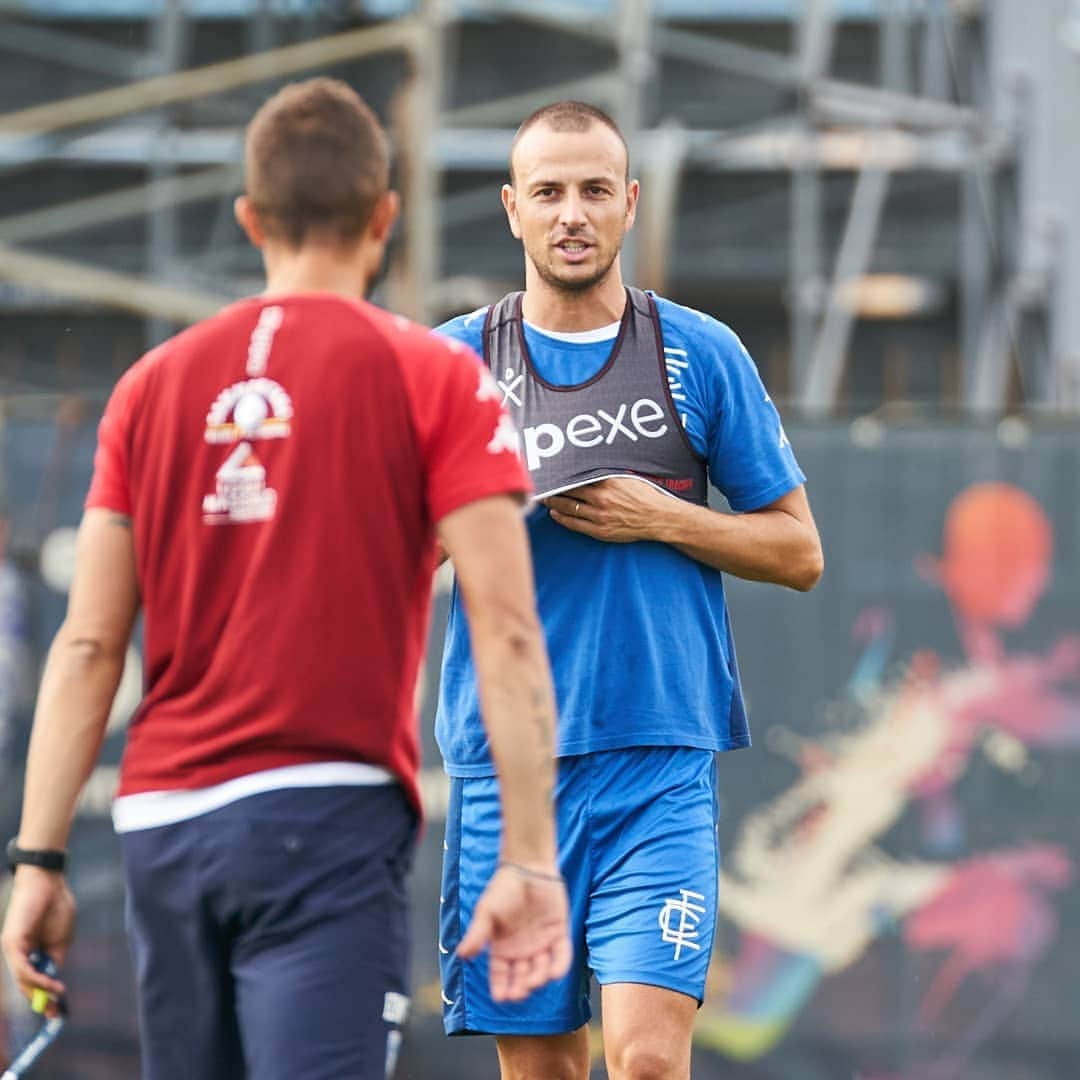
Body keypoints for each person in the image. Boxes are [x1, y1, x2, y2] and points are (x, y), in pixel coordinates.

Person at [0, 78, 571, 1080]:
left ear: (250, 219)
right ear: (384, 219)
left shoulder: (152, 386)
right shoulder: (435, 377)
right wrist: (530, 857)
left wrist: (38, 861)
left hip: (164, 823)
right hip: (326, 812)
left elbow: (89, 643)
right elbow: (510, 631)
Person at [433, 101, 824, 1080]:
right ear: (512, 208)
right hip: (504, 773)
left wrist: (663, 517)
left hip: (659, 766)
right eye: (551, 191)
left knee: (648, 1061)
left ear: (630, 205)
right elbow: (389, 551)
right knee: (545, 1069)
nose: (573, 212)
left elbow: (799, 552)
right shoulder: (452, 362)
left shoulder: (700, 352)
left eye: (595, 190)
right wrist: (476, 513)